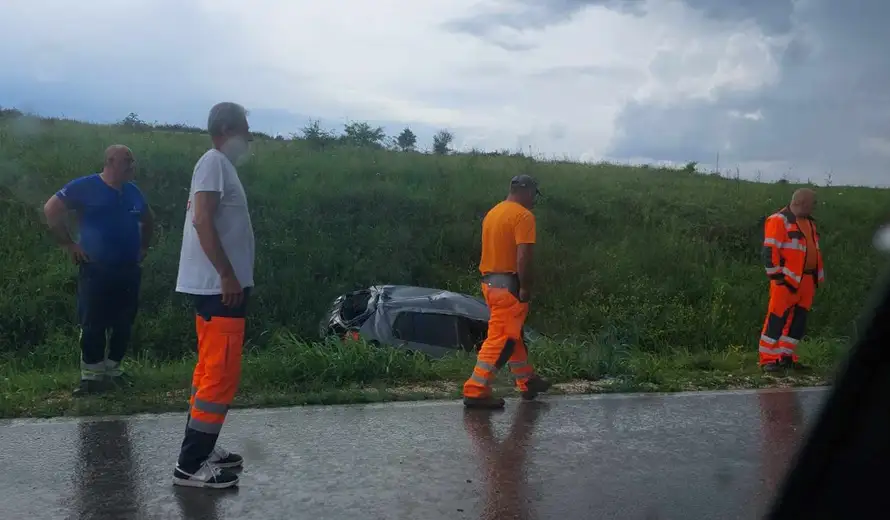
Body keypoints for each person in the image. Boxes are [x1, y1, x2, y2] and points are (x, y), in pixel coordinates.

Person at [172, 102, 255, 489]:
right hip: (219, 288)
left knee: (209, 372)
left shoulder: (219, 166)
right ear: (225, 129)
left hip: (218, 289)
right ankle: (190, 466)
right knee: (220, 375)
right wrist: (226, 274)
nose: (249, 137)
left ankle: (203, 447)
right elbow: (202, 219)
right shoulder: (214, 162)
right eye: (244, 129)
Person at [43, 145, 153, 397]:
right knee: (93, 322)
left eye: (132, 161)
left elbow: (148, 219)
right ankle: (91, 378)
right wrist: (69, 244)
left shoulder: (132, 191)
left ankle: (114, 371)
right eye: (127, 160)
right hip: (96, 268)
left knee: (123, 322)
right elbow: (51, 209)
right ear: (111, 161)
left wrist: (144, 246)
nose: (132, 165)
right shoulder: (86, 186)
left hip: (128, 268)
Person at [462, 174, 552, 409]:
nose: (533, 200)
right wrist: (526, 286)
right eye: (533, 195)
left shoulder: (494, 213)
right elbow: (524, 256)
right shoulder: (523, 216)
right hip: (509, 287)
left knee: (512, 334)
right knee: (503, 339)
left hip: (490, 284)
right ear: (527, 191)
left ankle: (527, 381)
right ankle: (475, 389)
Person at [758, 188, 825, 373]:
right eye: (813, 204)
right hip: (786, 280)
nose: (815, 207)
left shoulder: (809, 223)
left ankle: (786, 357)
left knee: (798, 321)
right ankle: (768, 359)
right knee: (776, 319)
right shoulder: (779, 220)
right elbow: (769, 251)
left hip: (807, 280)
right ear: (801, 203)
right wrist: (778, 278)